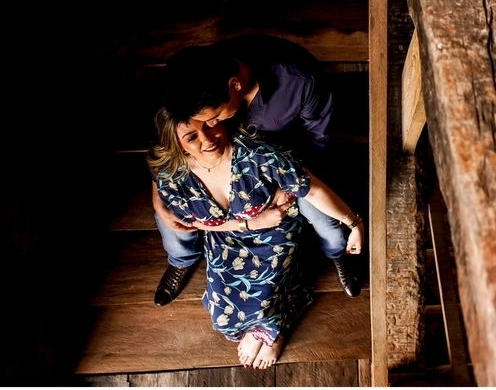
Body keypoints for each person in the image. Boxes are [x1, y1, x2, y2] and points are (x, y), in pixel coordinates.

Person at [152, 35, 363, 306]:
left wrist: (284, 181)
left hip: (286, 163)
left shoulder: (298, 83)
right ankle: (181, 260)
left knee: (324, 218)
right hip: (217, 159)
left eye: (214, 118)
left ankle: (337, 254)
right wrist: (158, 197)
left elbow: (318, 141)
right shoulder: (199, 76)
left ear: (235, 85)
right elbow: (167, 139)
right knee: (170, 213)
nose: (212, 124)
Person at [147, 108, 365, 369]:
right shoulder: (175, 178)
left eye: (209, 125)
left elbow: (312, 188)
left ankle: (273, 333)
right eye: (191, 137)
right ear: (178, 145)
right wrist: (246, 223)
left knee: (263, 298)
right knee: (223, 318)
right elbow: (195, 222)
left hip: (275, 232)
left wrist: (354, 223)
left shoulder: (255, 153)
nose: (207, 139)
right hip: (226, 238)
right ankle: (272, 321)